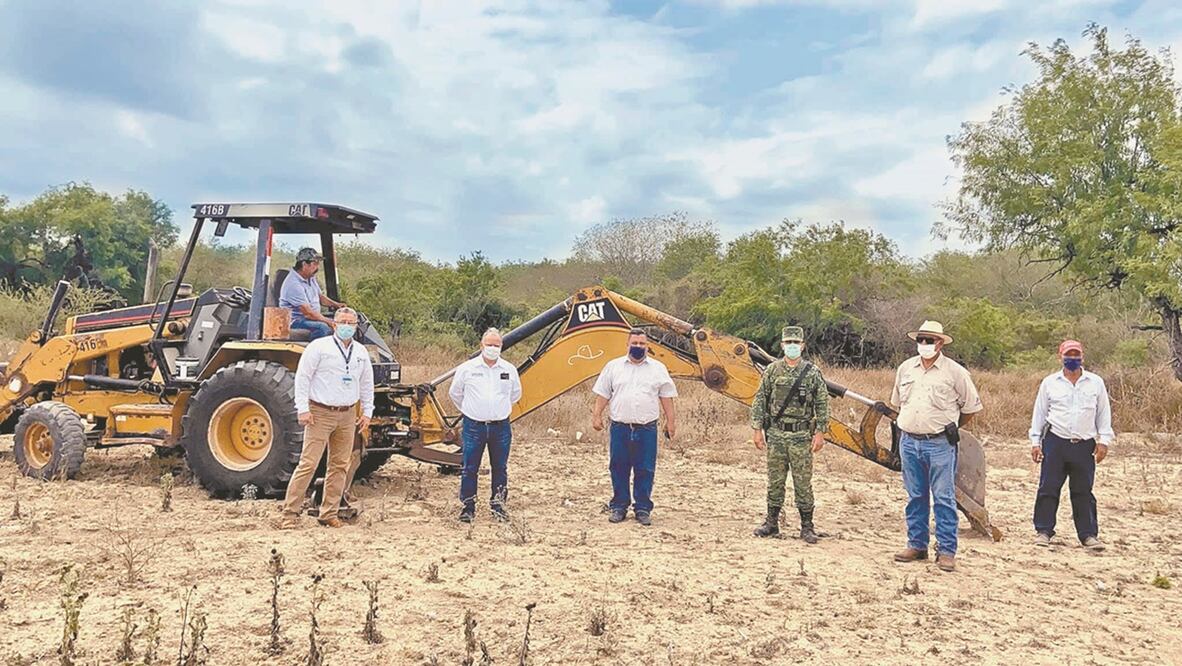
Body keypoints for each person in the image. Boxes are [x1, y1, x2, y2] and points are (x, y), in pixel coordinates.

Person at [890, 320, 983, 572]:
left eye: (929, 340)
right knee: (916, 496)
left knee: (943, 497)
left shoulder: (955, 373)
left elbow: (970, 408)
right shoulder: (905, 369)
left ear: (940, 343)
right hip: (909, 441)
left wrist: (949, 426)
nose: (924, 345)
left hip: (940, 443)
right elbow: (899, 403)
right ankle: (917, 544)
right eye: (921, 340)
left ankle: (946, 551)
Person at [279, 307, 373, 528]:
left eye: (351, 323)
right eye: (343, 322)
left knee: (340, 464)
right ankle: (290, 514)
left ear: (356, 326)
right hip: (320, 412)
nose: (347, 326)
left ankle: (329, 512)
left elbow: (367, 384)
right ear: (334, 323)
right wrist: (302, 408)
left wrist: (367, 412)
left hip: (348, 413)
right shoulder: (318, 348)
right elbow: (302, 378)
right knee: (308, 463)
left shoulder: (360, 352)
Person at [1029, 339, 1113, 551]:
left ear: (1082, 357)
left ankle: (1088, 535)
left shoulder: (1095, 383)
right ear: (1061, 356)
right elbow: (1039, 413)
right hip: (1056, 442)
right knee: (1048, 488)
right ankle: (1044, 531)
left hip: (1084, 445)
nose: (1073, 359)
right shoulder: (1050, 383)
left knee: (1083, 491)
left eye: (1076, 355)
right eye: (1069, 355)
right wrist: (1035, 441)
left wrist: (1104, 441)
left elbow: (1103, 413)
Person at [750, 326, 830, 543]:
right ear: (783, 345)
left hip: (801, 436)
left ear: (802, 346)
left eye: (796, 343)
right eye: (789, 343)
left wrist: (821, 431)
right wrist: (757, 430)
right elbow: (760, 400)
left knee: (803, 482)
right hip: (776, 435)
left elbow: (822, 402)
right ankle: (771, 523)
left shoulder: (812, 372)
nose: (792, 347)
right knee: (775, 481)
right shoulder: (772, 371)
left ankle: (807, 526)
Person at [591, 329, 678, 526]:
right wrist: (596, 415)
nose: (638, 347)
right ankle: (619, 506)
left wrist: (670, 421)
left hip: (647, 429)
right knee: (618, 467)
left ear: (648, 346)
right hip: (620, 427)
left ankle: (642, 508)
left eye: (642, 344)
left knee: (645, 469)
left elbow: (666, 397)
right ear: (627, 344)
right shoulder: (613, 367)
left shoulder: (658, 369)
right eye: (635, 343)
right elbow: (604, 393)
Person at [449, 328, 522, 523]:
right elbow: (455, 393)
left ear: (501, 347)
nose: (492, 348)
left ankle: (498, 506)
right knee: (470, 467)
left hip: (500, 427)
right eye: (489, 345)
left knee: (500, 467)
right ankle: (468, 507)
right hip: (474, 426)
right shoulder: (468, 368)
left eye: (496, 345)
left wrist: (497, 409)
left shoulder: (509, 370)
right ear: (481, 345)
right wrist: (471, 410)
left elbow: (515, 395)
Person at [279, 247, 346, 340]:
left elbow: (320, 297)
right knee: (323, 328)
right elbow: (308, 313)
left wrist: (337, 305)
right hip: (296, 321)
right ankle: (314, 352)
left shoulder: (310, 277)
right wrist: (329, 321)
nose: (317, 268)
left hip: (309, 318)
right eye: (315, 264)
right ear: (304, 264)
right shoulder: (293, 284)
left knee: (345, 321)